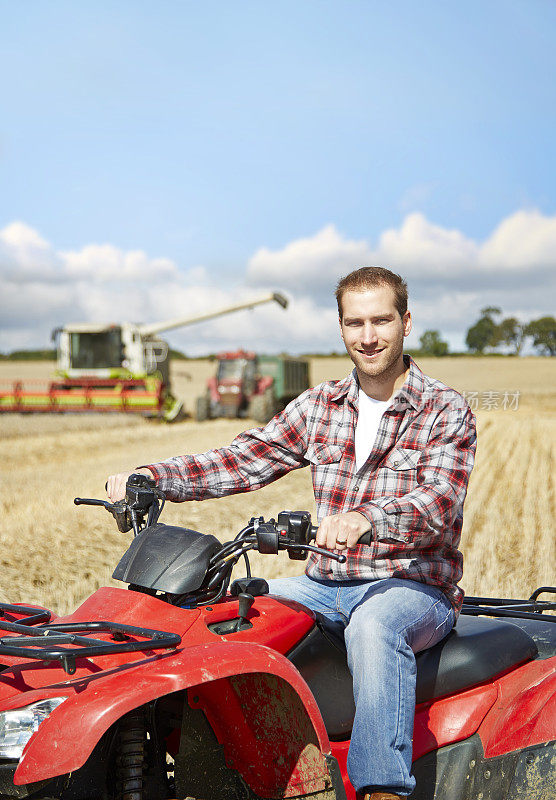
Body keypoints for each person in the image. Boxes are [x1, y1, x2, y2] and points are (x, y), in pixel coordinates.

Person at [107, 267, 476, 800]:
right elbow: (242, 459)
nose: (368, 337)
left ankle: (382, 788)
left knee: (373, 628)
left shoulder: (444, 408)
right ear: (341, 328)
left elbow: (440, 502)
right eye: (355, 323)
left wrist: (369, 518)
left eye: (381, 321)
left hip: (413, 587)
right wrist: (153, 477)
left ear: (406, 322)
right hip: (324, 583)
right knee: (225, 615)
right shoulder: (319, 406)